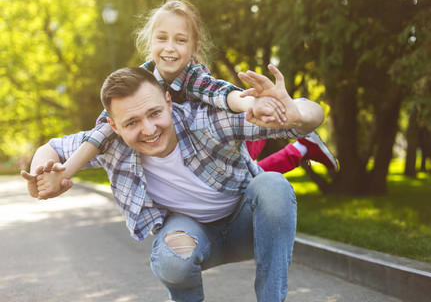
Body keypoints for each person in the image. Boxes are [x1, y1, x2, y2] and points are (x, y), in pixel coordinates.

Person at [21, 65, 325, 301]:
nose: (149, 129)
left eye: (154, 113)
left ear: (168, 101)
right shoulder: (111, 144)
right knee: (173, 260)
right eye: (132, 123)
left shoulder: (204, 122)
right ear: (112, 126)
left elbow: (312, 114)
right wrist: (40, 175)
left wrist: (297, 112)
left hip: (248, 227)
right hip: (192, 238)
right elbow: (53, 148)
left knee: (273, 185)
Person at [48, 0, 336, 188]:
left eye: (180, 40)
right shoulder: (139, 81)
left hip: (214, 126)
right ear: (150, 42)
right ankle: (300, 147)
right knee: (250, 163)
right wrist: (67, 171)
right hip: (199, 143)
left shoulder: (194, 74)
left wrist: (249, 101)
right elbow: (102, 129)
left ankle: (299, 142)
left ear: (194, 47)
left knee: (249, 167)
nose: (170, 47)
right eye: (162, 38)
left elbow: (220, 93)